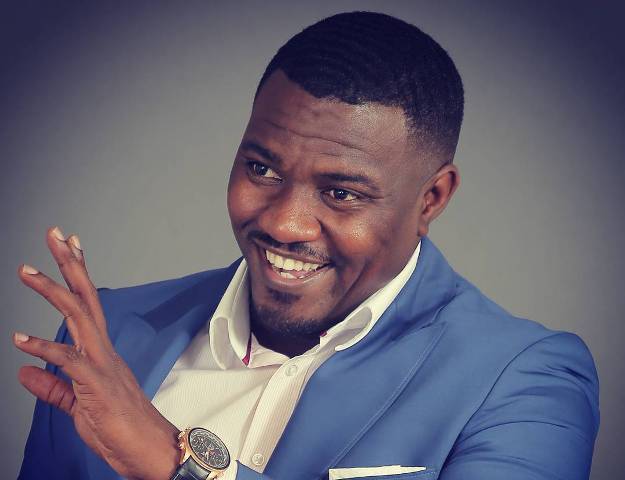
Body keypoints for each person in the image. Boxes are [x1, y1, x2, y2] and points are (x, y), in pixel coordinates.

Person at [16, 11, 599, 480]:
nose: (285, 223)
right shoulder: (107, 336)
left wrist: (174, 463)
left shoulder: (524, 380)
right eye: (262, 169)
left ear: (431, 198)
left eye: (341, 193)